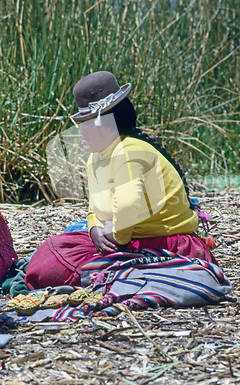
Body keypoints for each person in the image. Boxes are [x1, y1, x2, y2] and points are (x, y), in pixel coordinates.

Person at [25, 71, 218, 289]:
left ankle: (119, 274)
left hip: (165, 243)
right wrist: (93, 230)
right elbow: (95, 205)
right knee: (53, 249)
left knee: (53, 265)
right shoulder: (98, 156)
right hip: (131, 238)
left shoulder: (128, 152)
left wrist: (117, 240)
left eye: (88, 122)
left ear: (108, 123)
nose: (81, 131)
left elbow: (126, 206)